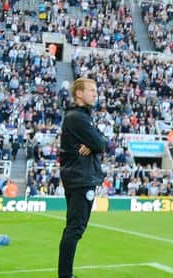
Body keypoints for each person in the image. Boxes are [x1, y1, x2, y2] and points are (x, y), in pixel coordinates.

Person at [58, 77, 107, 278]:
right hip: (81, 177)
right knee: (75, 228)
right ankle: (65, 275)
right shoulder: (78, 117)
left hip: (77, 176)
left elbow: (99, 142)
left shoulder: (80, 117)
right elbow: (100, 143)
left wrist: (95, 143)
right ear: (79, 93)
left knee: (73, 228)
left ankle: (65, 274)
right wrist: (95, 144)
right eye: (91, 90)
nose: (95, 93)